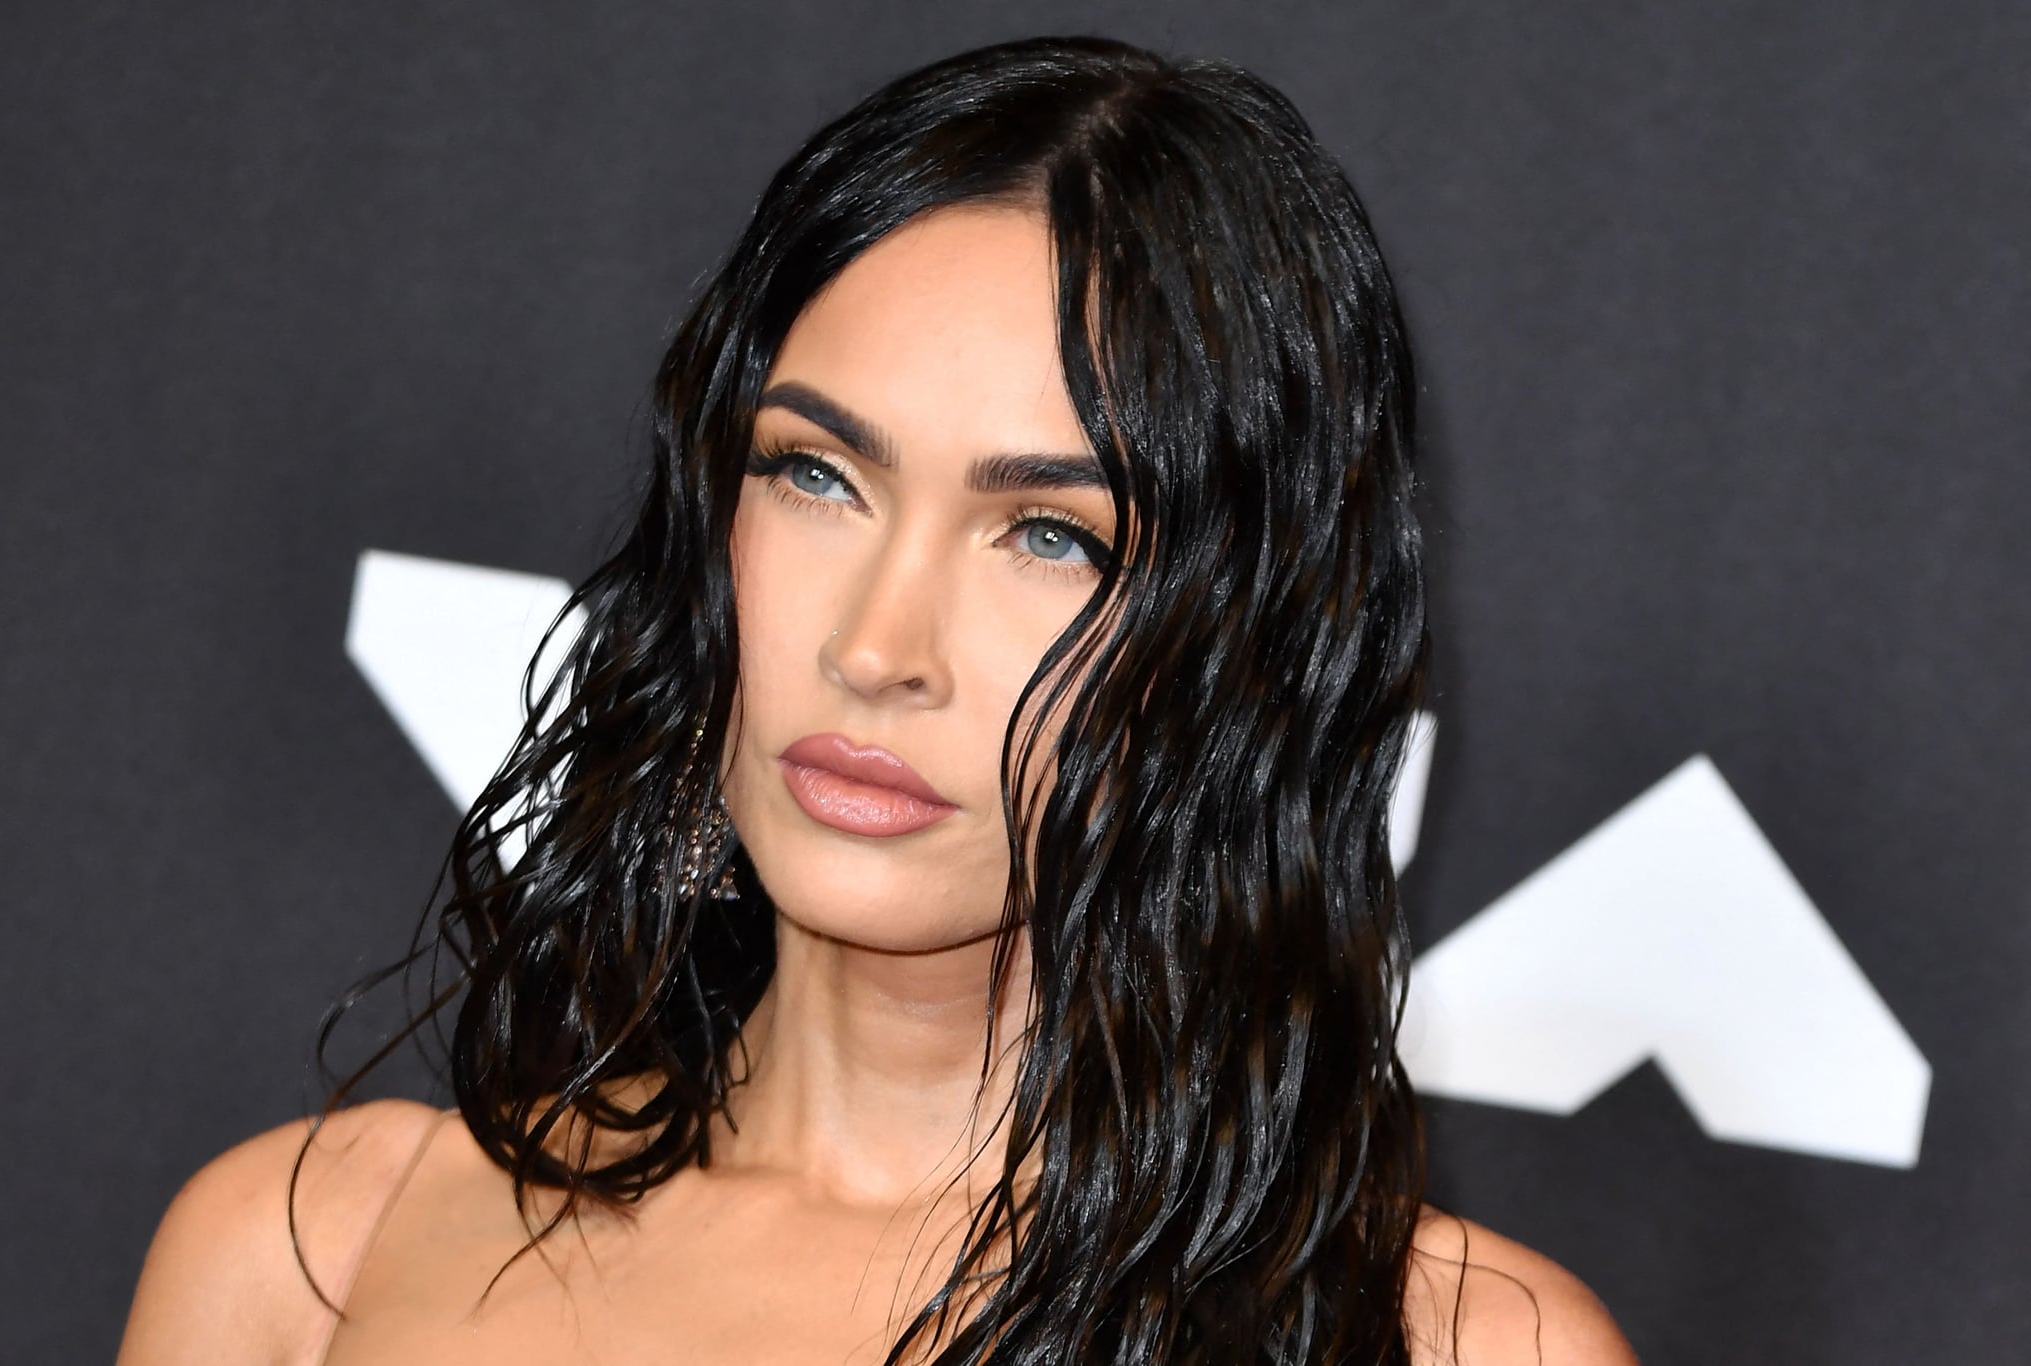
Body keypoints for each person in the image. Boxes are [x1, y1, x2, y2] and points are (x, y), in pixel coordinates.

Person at [118, 35, 1637, 1366]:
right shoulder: (310, 1257)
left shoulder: (1463, 1346)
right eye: (817, 473)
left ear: (1241, 648)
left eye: (1052, 534)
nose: (877, 643)